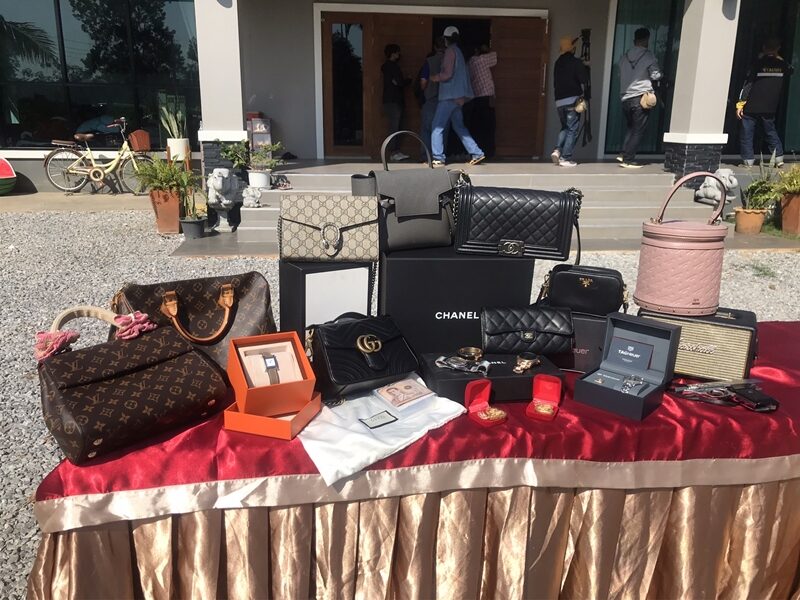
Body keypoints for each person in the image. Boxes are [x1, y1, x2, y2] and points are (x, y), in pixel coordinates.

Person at [429, 26, 485, 167]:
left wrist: (435, 77)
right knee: (459, 127)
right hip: (459, 97)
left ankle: (438, 158)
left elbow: (447, 74)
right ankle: (476, 152)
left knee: (437, 127)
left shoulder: (450, 52)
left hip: (448, 96)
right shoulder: (459, 52)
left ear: (445, 39)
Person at [737, 37, 794, 167]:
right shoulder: (783, 65)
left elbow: (748, 84)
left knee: (747, 133)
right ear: (778, 48)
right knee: (770, 131)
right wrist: (778, 56)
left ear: (763, 48)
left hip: (751, 105)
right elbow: (791, 70)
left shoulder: (757, 63)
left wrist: (740, 104)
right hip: (770, 106)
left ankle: (748, 160)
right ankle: (779, 158)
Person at [618, 28, 661, 169]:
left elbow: (620, 74)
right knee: (638, 130)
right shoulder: (648, 56)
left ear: (634, 40)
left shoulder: (624, 57)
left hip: (625, 98)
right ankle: (628, 160)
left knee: (631, 127)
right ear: (646, 40)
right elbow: (655, 75)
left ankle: (624, 153)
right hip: (640, 98)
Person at [551, 35, 589, 167]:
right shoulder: (575, 62)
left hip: (559, 101)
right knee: (572, 129)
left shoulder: (558, 62)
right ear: (573, 49)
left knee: (565, 127)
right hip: (572, 100)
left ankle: (557, 150)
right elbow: (584, 79)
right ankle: (565, 158)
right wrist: (585, 66)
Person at [467, 43, 498, 157]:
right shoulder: (481, 60)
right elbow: (495, 56)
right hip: (486, 97)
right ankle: (489, 152)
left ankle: (478, 150)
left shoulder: (468, 64)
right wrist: (488, 48)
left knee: (477, 126)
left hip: (476, 98)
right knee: (489, 126)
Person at [382, 43, 411, 161]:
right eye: (397, 52)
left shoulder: (386, 67)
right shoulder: (393, 67)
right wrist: (408, 80)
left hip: (389, 100)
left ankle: (395, 151)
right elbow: (399, 82)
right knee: (395, 127)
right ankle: (394, 152)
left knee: (395, 126)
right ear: (393, 53)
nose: (399, 54)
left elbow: (396, 82)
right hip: (395, 100)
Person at [419, 37, 446, 159]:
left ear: (435, 47)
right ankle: (439, 156)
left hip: (431, 98)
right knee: (442, 129)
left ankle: (426, 156)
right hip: (446, 99)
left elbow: (423, 82)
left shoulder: (429, 61)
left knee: (426, 128)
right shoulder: (451, 61)